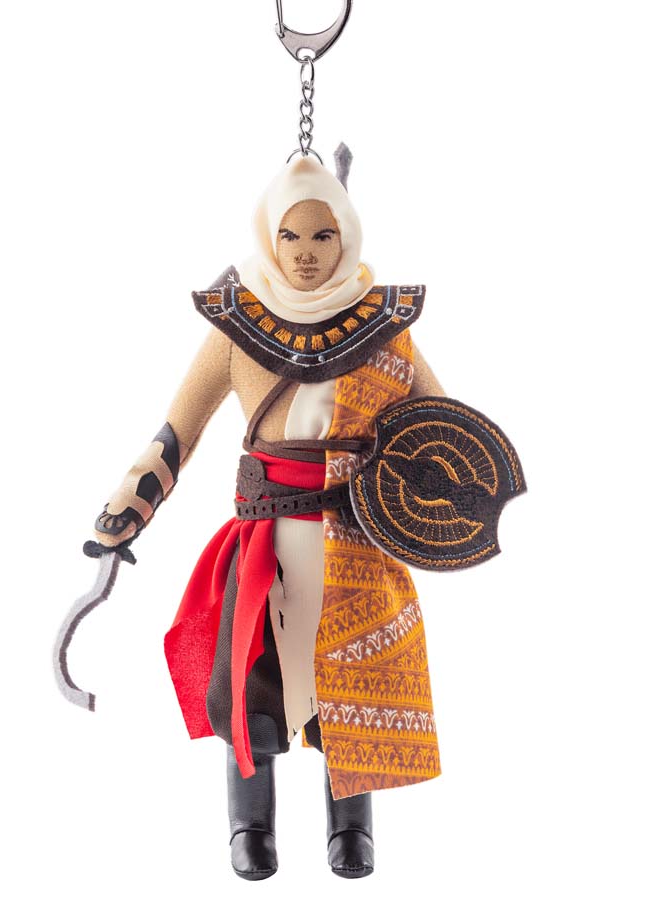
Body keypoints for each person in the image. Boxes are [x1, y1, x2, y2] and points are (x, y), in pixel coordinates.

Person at [92, 148, 447, 880]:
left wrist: (453, 492)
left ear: (346, 237)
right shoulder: (236, 326)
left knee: (350, 694)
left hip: (356, 542)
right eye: (291, 235)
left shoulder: (384, 331)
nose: (307, 252)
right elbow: (176, 434)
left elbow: (442, 431)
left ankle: (353, 832)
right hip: (265, 546)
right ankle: (249, 829)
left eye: (323, 235)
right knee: (252, 690)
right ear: (268, 236)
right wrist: (130, 503)